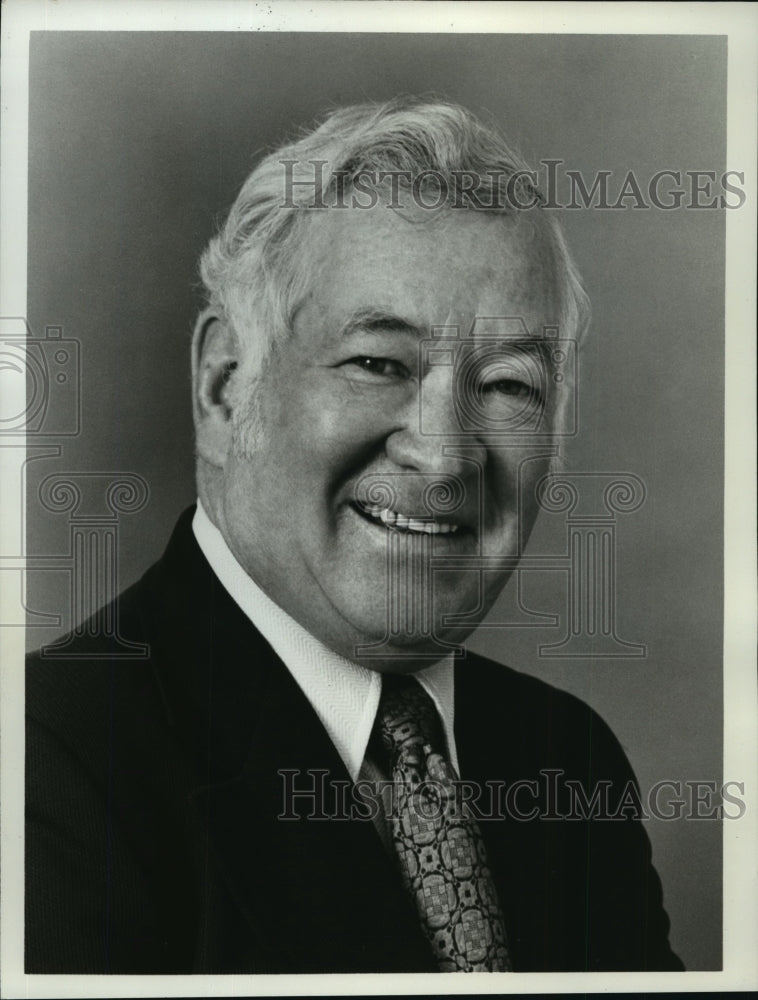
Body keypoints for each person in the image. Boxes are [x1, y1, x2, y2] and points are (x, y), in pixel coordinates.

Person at [25, 98, 683, 974]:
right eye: (378, 363)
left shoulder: (567, 760)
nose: (445, 456)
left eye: (507, 385)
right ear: (226, 388)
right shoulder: (47, 762)